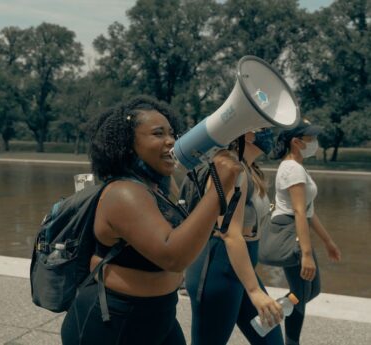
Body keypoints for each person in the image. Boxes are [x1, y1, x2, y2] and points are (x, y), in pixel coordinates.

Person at [60, 95, 242, 345]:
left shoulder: (160, 187)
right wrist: (218, 189)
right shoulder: (123, 193)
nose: (171, 141)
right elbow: (173, 256)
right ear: (127, 144)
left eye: (172, 133)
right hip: (115, 322)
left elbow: (190, 232)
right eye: (158, 134)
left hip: (160, 314)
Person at [180, 128, 284, 345]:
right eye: (263, 128)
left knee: (272, 341)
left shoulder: (248, 168)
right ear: (245, 132)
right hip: (217, 270)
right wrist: (254, 290)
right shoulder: (228, 167)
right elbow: (229, 232)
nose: (270, 133)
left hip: (239, 268)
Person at [269, 119, 342, 345]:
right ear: (297, 142)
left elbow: (308, 211)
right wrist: (307, 254)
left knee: (313, 290)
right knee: (300, 294)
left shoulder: (296, 167)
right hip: (292, 233)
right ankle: (289, 339)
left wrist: (328, 241)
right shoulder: (292, 169)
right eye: (311, 139)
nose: (315, 143)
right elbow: (299, 212)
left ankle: (270, 310)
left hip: (296, 229)